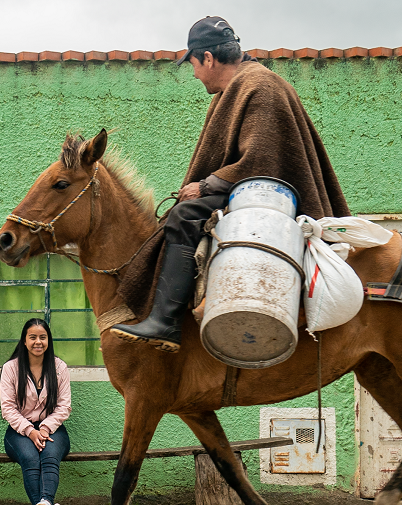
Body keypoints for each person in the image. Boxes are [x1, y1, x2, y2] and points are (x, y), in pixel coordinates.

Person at [112, 16, 350, 352]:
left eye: (193, 64)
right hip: (251, 191)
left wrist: (205, 187)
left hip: (269, 195)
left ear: (208, 58)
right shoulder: (244, 84)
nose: (194, 74)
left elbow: (261, 160)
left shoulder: (259, 86)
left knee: (185, 215)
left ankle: (165, 321)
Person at [0, 318, 72, 505]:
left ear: (49, 340)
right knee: (30, 458)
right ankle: (46, 502)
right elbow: (8, 408)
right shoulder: (11, 368)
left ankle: (44, 502)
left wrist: (45, 428)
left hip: (53, 429)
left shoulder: (60, 367)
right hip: (19, 431)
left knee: (50, 457)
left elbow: (64, 406)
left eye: (43, 337)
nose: (38, 342)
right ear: (24, 341)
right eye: (32, 337)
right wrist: (30, 431)